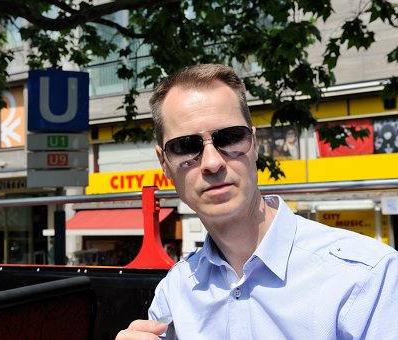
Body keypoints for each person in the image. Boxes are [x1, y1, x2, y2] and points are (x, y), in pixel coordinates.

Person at [116, 64, 398, 339]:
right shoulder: (174, 291)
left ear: (254, 144)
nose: (212, 163)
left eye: (230, 138)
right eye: (185, 146)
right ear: (164, 163)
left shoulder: (367, 277)